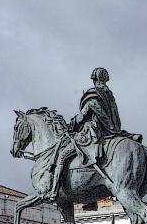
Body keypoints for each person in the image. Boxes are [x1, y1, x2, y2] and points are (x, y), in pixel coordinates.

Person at [44, 66, 136, 202]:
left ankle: (53, 191)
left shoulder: (92, 95)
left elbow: (82, 116)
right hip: (108, 131)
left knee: (61, 156)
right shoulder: (109, 95)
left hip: (90, 132)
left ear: (95, 79)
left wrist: (73, 122)